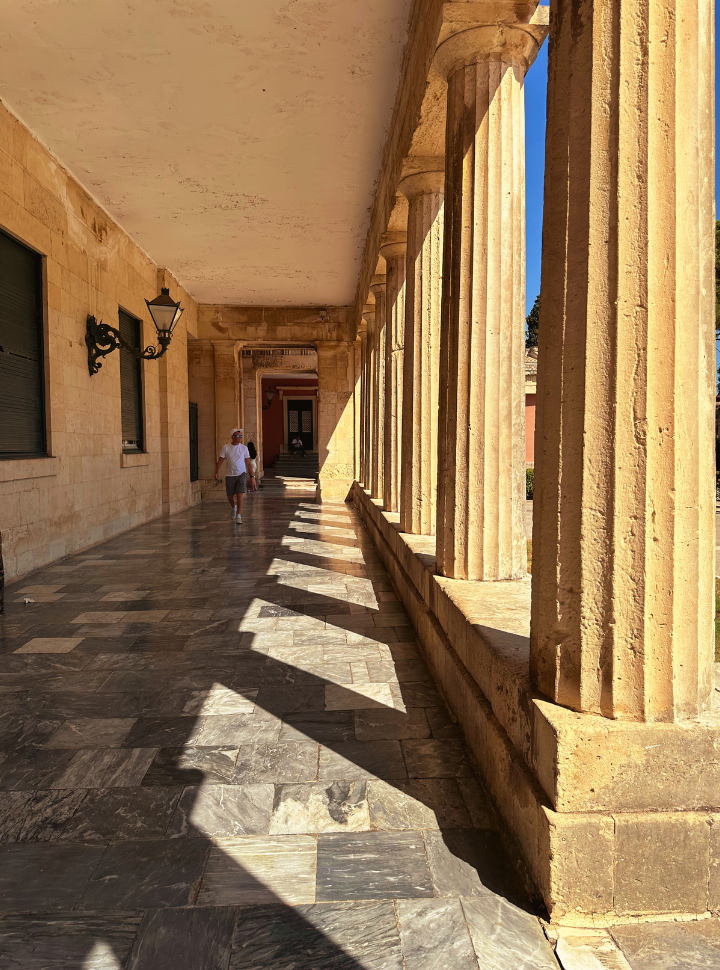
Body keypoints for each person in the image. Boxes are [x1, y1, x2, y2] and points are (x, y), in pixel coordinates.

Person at [214, 429, 255, 522]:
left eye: (241, 436)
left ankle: (239, 515)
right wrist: (217, 471)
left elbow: (248, 463)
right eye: (238, 436)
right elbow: (221, 460)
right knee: (230, 496)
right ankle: (234, 507)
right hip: (230, 475)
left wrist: (252, 476)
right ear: (232, 436)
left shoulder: (244, 448)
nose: (240, 438)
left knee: (240, 494)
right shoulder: (226, 447)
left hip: (241, 473)